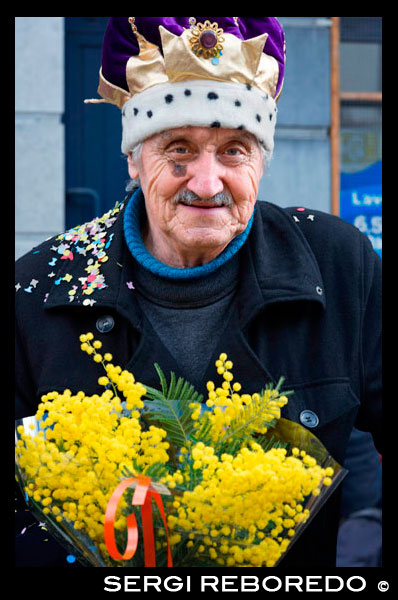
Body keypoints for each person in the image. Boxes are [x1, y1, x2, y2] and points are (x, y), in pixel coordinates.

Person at [15, 17, 381, 568]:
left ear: (262, 160)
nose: (207, 183)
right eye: (178, 149)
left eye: (234, 150)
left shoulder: (339, 266)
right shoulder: (39, 290)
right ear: (134, 159)